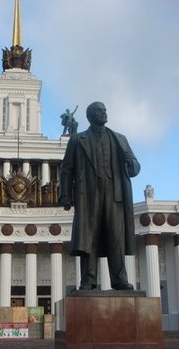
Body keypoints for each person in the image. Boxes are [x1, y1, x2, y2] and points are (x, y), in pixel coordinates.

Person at [59, 101, 140, 290]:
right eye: (99, 110)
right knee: (90, 237)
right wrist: (64, 194)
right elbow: (66, 168)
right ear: (90, 116)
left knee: (116, 237)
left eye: (104, 110)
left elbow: (135, 168)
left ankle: (119, 279)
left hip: (115, 194)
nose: (103, 113)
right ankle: (88, 279)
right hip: (88, 195)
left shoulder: (119, 139)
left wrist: (130, 163)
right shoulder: (78, 140)